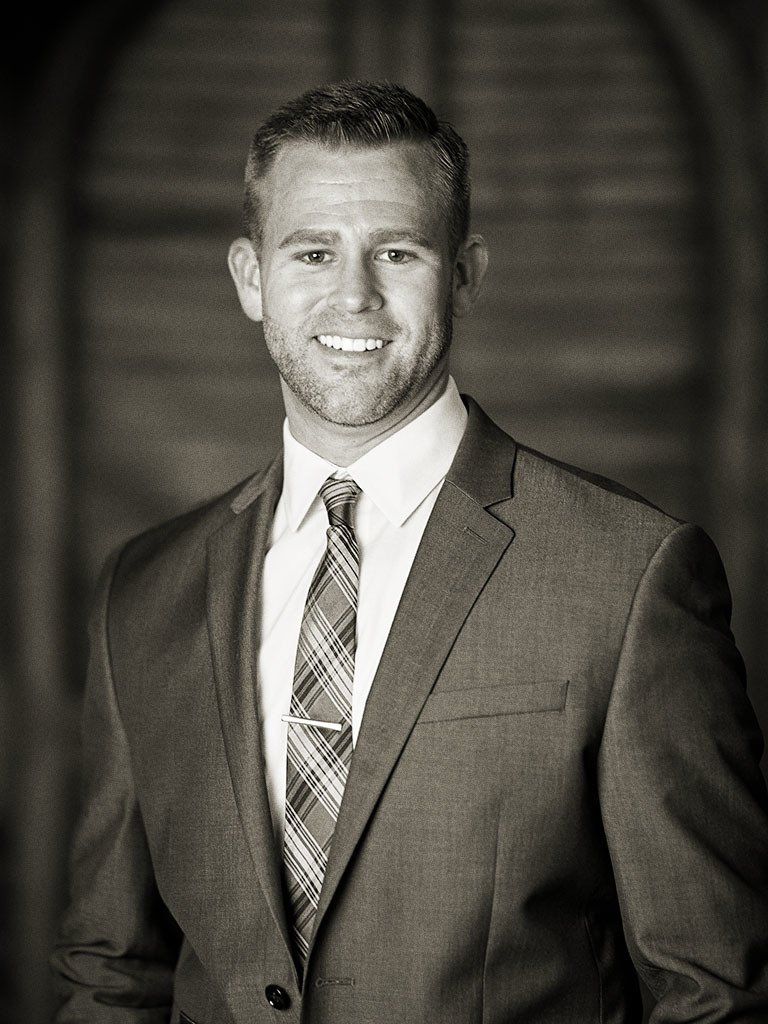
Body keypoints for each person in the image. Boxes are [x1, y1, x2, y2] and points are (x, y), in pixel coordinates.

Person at [52, 80, 768, 1024]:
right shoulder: (142, 592)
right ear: (250, 277)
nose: (354, 294)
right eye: (312, 251)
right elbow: (112, 973)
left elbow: (714, 994)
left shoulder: (630, 577)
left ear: (465, 272)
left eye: (397, 250)